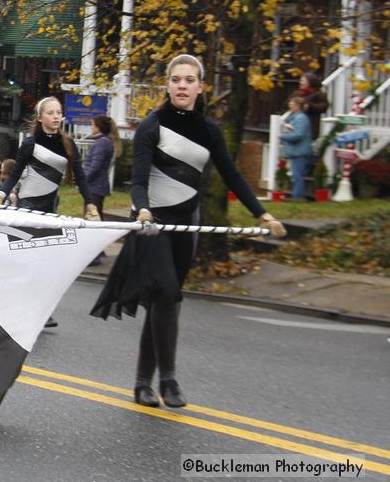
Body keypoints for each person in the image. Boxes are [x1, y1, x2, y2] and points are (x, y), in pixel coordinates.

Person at [91, 54, 287, 409]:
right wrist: (143, 208)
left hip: (188, 225)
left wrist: (263, 213)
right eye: (176, 79)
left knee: (166, 301)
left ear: (200, 86)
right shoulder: (152, 125)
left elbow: (233, 176)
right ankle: (168, 379)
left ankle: (140, 384)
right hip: (153, 225)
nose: (182, 85)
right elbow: (136, 180)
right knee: (166, 292)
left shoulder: (209, 130)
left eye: (189, 80)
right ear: (168, 84)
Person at [0, 97, 99, 220]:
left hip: (50, 205)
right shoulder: (30, 143)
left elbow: (80, 177)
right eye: (50, 113)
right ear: (40, 118)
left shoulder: (68, 144)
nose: (56, 116)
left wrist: (90, 204)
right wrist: (0, 195)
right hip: (27, 204)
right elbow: (15, 174)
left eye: (59, 112)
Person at [84, 115, 122, 219]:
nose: (91, 127)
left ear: (98, 127)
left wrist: (84, 180)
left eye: (92, 125)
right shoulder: (103, 141)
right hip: (97, 185)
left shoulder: (101, 143)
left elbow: (95, 166)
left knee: (93, 218)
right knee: (95, 215)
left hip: (96, 186)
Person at [281, 96, 312, 201]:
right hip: (296, 150)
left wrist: (283, 136)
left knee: (297, 175)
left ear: (298, 106)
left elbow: (298, 135)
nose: (290, 106)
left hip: (300, 151)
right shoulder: (295, 117)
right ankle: (297, 194)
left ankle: (298, 196)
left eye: (292, 104)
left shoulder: (300, 118)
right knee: (295, 174)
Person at [293, 72, 329, 140]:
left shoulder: (318, 94)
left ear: (310, 82)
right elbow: (287, 104)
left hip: (311, 124)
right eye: (300, 80)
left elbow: (324, 106)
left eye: (303, 81)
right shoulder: (298, 93)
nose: (300, 83)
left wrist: (310, 106)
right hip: (296, 123)